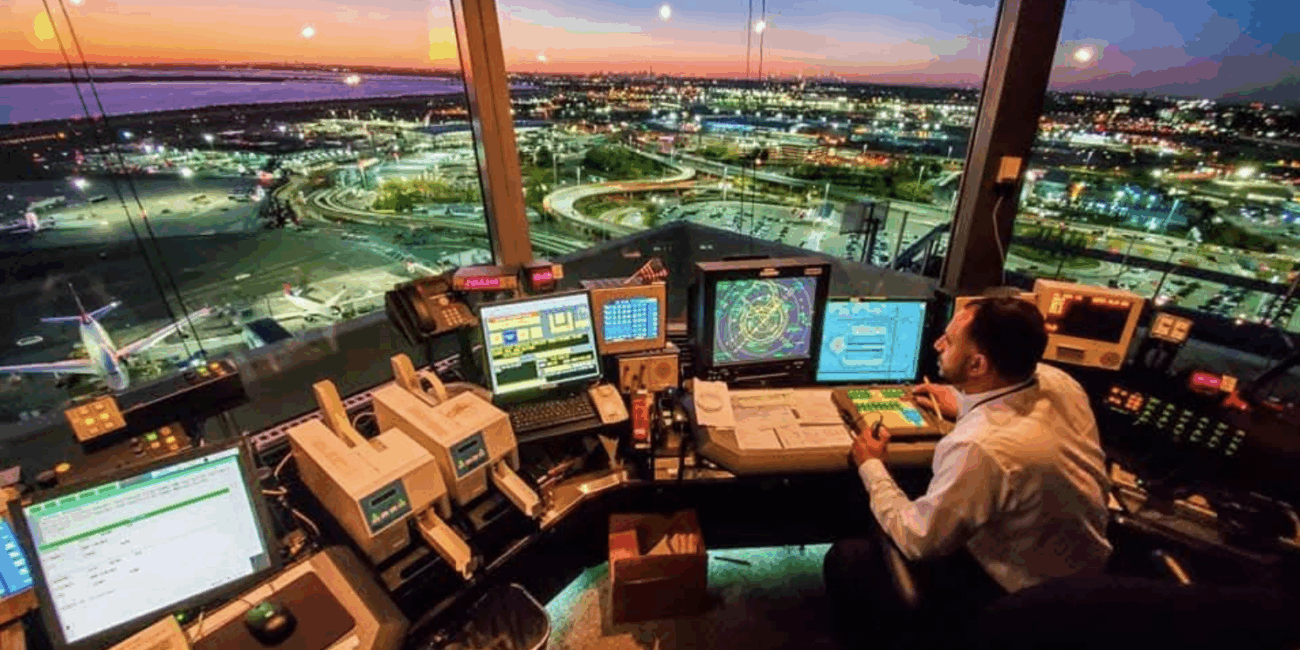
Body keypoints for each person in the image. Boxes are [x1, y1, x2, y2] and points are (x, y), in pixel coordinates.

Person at [823, 296, 1112, 649]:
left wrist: (871, 465)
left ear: (977, 365)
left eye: (949, 341)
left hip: (1017, 595)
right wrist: (963, 401)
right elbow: (1013, 410)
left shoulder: (981, 447)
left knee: (848, 557)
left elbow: (919, 542)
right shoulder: (1059, 381)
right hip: (1086, 578)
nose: (937, 345)